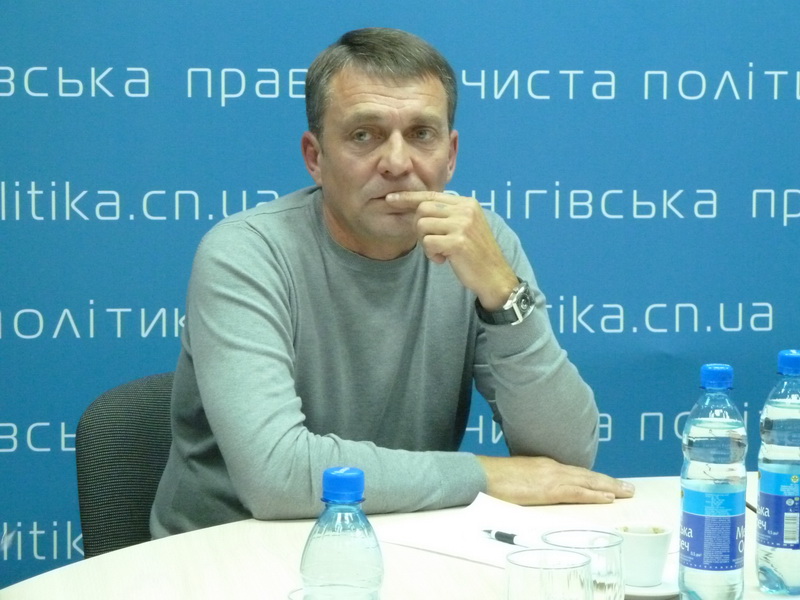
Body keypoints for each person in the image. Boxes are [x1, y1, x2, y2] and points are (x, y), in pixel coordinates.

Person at [150, 27, 634, 537]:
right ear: (315, 158)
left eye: (421, 134)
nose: (398, 163)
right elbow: (277, 477)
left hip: (407, 543)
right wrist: (483, 476)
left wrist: (503, 293)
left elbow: (566, 458)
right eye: (365, 135)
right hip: (230, 553)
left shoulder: (481, 245)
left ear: (451, 155)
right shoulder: (246, 253)